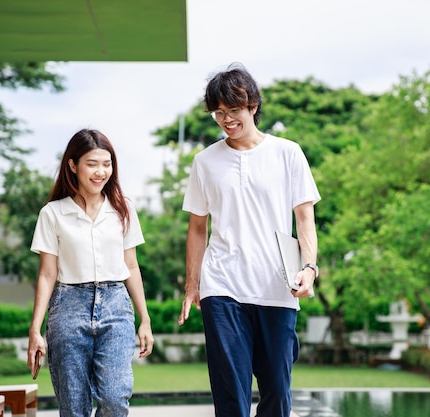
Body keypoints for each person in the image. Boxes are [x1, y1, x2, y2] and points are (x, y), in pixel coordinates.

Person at [178, 63, 321, 417]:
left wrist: (310, 268)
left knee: (277, 390)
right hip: (222, 283)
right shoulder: (205, 162)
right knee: (231, 392)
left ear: (253, 106)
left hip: (277, 285)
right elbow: (198, 227)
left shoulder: (287, 153)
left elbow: (304, 217)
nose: (226, 119)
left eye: (234, 110)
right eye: (219, 112)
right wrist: (192, 285)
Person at [27, 128, 154, 417]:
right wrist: (35, 330)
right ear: (73, 165)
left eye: (106, 164)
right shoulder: (53, 213)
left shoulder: (123, 208)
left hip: (116, 307)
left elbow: (131, 266)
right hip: (68, 307)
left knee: (114, 398)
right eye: (92, 164)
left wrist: (144, 319)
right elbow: (47, 274)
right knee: (73, 407)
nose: (101, 172)